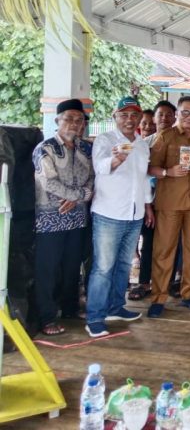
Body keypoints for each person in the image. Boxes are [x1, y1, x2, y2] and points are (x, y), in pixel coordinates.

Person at [85, 97, 154, 337]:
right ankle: (94, 317)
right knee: (103, 267)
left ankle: (116, 307)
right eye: (124, 115)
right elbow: (100, 167)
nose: (129, 119)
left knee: (124, 265)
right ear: (115, 117)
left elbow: (143, 177)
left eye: (134, 115)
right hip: (109, 213)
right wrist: (115, 159)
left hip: (133, 213)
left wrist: (147, 206)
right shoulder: (106, 140)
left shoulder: (143, 144)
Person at [146, 96, 190, 318]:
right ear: (177, 113)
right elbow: (149, 167)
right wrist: (167, 172)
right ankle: (158, 298)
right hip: (169, 203)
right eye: (186, 112)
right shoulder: (164, 137)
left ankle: (189, 294)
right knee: (164, 250)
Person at [32, 99, 94, 336]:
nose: (74, 124)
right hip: (50, 218)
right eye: (69, 118)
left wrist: (79, 198)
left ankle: (69, 308)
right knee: (47, 269)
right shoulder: (45, 148)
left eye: (79, 120)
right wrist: (78, 196)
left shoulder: (85, 148)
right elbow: (47, 181)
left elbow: (92, 178)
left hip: (77, 218)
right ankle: (47, 318)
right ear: (57, 120)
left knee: (71, 266)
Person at [130, 101, 175, 302]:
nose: (164, 118)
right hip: (150, 201)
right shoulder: (143, 143)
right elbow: (140, 173)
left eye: (168, 115)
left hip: (174, 201)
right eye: (160, 115)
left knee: (172, 244)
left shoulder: (181, 142)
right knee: (148, 242)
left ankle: (169, 282)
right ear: (154, 118)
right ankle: (144, 282)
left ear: (175, 118)